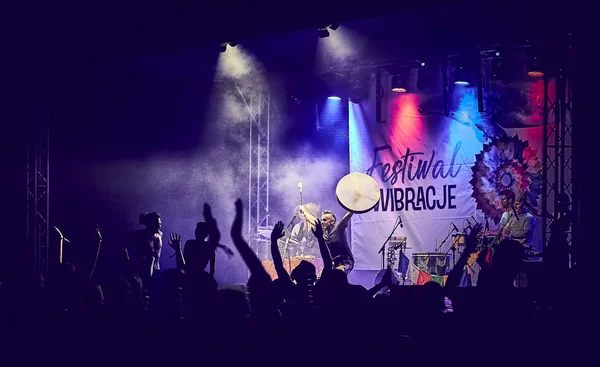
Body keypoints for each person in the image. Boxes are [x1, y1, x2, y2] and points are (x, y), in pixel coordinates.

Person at [127, 212, 163, 279]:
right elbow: (124, 246)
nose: (159, 226)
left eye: (160, 224)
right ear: (149, 224)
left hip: (156, 271)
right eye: (157, 224)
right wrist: (128, 263)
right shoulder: (139, 235)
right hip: (141, 272)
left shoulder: (160, 235)